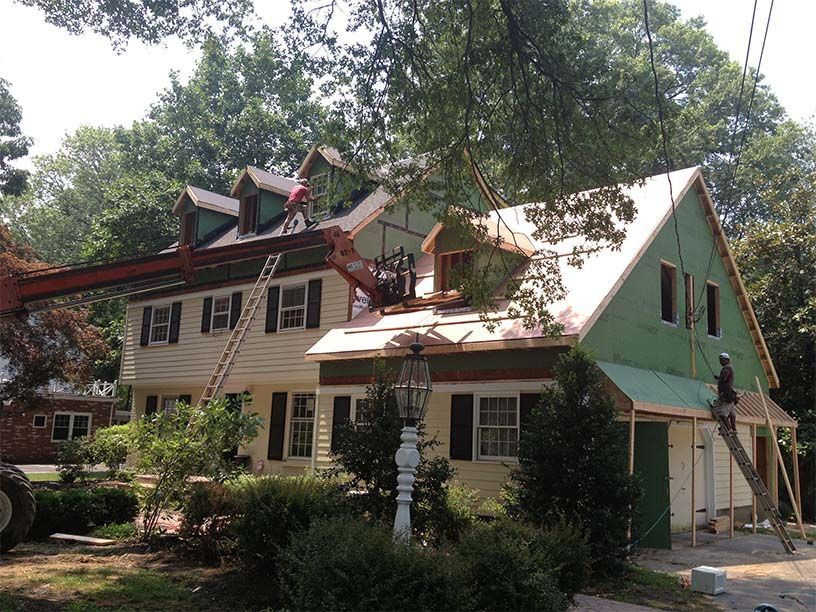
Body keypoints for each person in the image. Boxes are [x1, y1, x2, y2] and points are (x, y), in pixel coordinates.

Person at [713, 352, 737, 432]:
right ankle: (733, 429)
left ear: (727, 360)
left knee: (721, 413)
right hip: (731, 394)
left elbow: (724, 378)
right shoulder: (730, 367)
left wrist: (719, 379)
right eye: (720, 360)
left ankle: (729, 429)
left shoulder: (726, 368)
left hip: (726, 394)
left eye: (722, 360)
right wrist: (719, 377)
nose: (720, 362)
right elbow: (725, 378)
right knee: (731, 413)